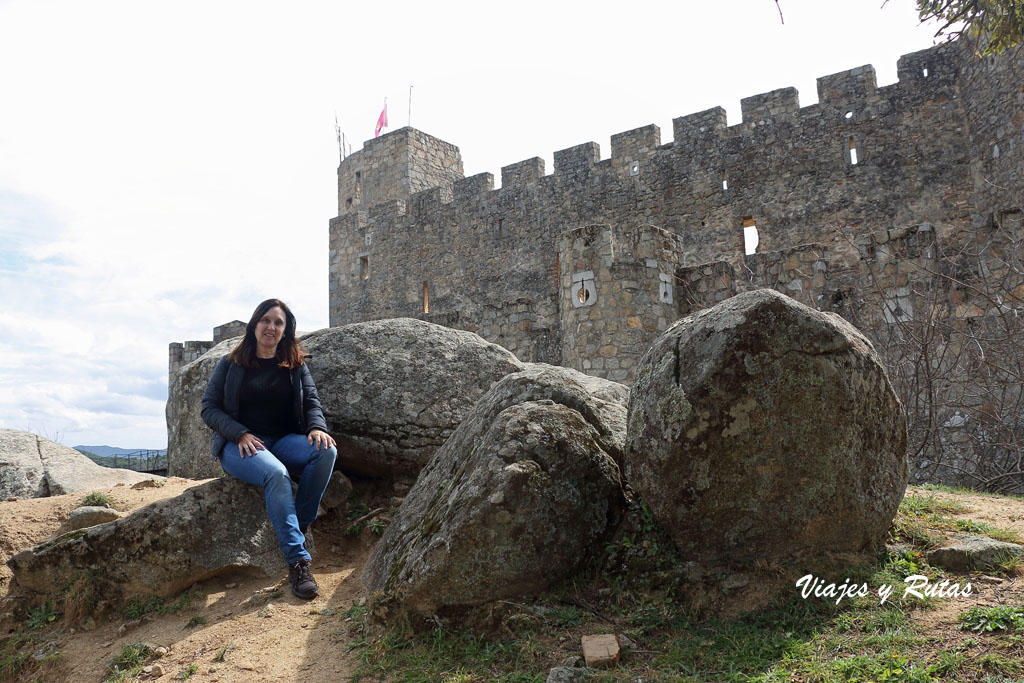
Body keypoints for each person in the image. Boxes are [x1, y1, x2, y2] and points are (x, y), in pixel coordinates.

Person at [201, 298, 337, 599]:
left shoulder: (295, 364)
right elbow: (209, 408)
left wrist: (317, 428)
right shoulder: (231, 363)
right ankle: (298, 562)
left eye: (278, 323)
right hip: (240, 445)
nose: (271, 327)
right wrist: (239, 433)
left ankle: (297, 527)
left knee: (326, 451)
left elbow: (312, 401)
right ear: (254, 325)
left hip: (283, 440)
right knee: (276, 474)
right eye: (266, 320)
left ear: (285, 330)